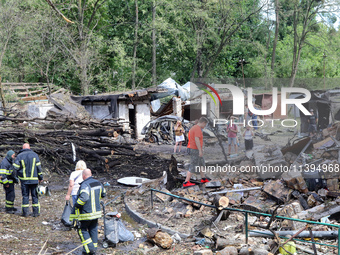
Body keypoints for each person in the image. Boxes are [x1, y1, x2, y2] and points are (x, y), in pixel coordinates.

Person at [70, 169, 106, 255]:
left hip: (86, 214)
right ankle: (92, 250)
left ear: (83, 176)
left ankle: (90, 248)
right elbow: (103, 194)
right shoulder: (98, 183)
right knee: (93, 229)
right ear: (91, 174)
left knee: (82, 230)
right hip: (96, 213)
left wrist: (77, 205)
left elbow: (84, 198)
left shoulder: (85, 185)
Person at [13, 143, 43, 217]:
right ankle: (36, 213)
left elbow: (15, 168)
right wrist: (40, 177)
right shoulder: (35, 155)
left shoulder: (19, 156)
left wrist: (16, 178)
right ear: (29, 147)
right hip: (34, 180)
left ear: (23, 148)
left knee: (25, 196)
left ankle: (25, 213)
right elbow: (39, 167)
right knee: (35, 196)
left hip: (24, 180)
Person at [183, 117, 210, 187]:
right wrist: (200, 150)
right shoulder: (197, 128)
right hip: (194, 149)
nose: (204, 126)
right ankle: (186, 182)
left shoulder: (193, 128)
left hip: (194, 148)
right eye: (205, 124)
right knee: (193, 165)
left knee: (201, 163)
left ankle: (203, 178)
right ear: (203, 122)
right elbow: (196, 139)